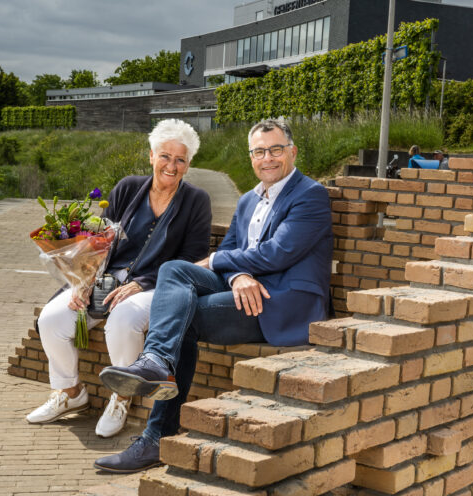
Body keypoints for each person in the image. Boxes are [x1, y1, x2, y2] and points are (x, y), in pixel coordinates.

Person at [93, 118, 333, 473]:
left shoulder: (310, 195)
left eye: (276, 149)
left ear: (292, 152)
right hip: (247, 291)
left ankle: (157, 436)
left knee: (183, 316)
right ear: (251, 157)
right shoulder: (249, 199)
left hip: (283, 302)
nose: (268, 158)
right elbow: (236, 248)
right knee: (173, 269)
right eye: (259, 151)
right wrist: (236, 275)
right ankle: (157, 363)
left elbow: (278, 253)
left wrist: (222, 261)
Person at [26, 119, 212, 440]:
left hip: (157, 286)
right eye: (165, 156)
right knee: (52, 319)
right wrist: (82, 279)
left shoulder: (196, 201)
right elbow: (100, 239)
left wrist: (142, 282)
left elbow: (192, 259)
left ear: (188, 163)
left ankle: (121, 398)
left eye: (180, 159)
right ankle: (70, 393)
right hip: (107, 281)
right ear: (151, 156)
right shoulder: (127, 188)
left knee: (123, 318)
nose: (172, 165)